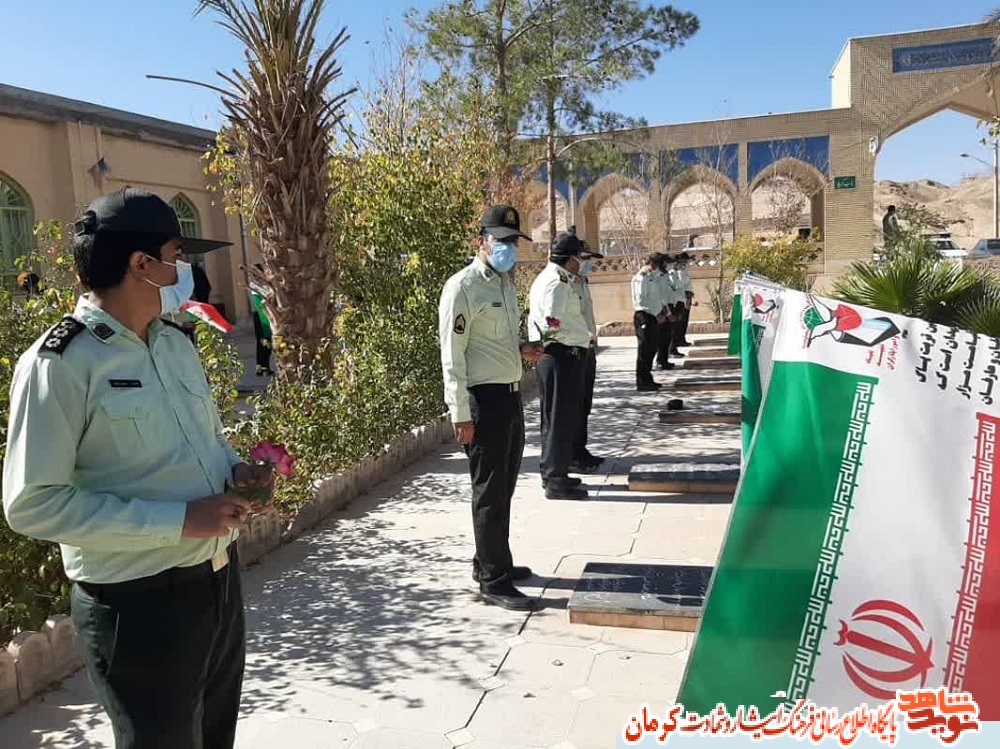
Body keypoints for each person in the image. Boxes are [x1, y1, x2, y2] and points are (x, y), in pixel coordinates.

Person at [2, 187, 273, 749]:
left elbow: (205, 442)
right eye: (177, 256)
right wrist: (178, 521)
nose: (186, 272)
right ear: (141, 264)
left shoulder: (175, 344)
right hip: (137, 605)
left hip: (217, 584)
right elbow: (32, 503)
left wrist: (236, 472)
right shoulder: (60, 363)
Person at [438, 204, 543, 611]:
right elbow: (453, 355)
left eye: (513, 241)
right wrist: (460, 413)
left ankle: (491, 561)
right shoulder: (462, 287)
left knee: (505, 487)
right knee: (489, 492)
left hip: (510, 396)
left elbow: (493, 343)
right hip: (483, 402)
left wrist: (522, 350)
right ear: (480, 241)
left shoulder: (503, 285)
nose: (509, 248)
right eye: (502, 240)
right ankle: (493, 582)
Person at [528, 232, 591, 500]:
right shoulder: (557, 282)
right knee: (559, 420)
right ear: (570, 259)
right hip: (560, 355)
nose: (582, 263)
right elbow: (550, 322)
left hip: (558, 354)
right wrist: (569, 337)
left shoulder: (553, 277)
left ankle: (555, 473)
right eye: (580, 257)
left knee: (556, 419)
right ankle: (555, 481)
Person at [570, 242, 606, 475]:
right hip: (575, 349)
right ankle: (572, 455)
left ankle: (581, 450)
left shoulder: (582, 282)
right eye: (586, 259)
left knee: (584, 405)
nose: (589, 264)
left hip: (588, 348)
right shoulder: (566, 284)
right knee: (573, 408)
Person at [631, 255, 666, 392]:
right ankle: (642, 382)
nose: (657, 268)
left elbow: (656, 298)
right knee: (644, 350)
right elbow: (641, 300)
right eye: (656, 264)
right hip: (644, 316)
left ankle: (648, 378)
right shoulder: (641, 278)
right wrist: (654, 314)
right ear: (651, 263)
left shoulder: (652, 277)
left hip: (652, 316)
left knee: (651, 349)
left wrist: (660, 312)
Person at [247, 264, 274, 377]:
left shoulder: (262, 284)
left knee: (266, 342)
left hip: (265, 315)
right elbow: (265, 297)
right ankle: (262, 368)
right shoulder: (254, 285)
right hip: (260, 315)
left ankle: (264, 367)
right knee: (263, 341)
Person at [654, 253, 679, 370]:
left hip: (669, 306)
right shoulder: (657, 276)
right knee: (661, 337)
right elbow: (660, 296)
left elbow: (672, 290)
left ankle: (664, 360)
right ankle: (660, 361)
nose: (669, 265)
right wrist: (667, 313)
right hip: (662, 308)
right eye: (667, 262)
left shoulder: (665, 275)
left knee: (667, 336)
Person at [671, 252, 694, 354]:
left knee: (684, 321)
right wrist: (686, 299)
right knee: (678, 323)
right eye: (684, 261)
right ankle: (677, 341)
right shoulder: (677, 273)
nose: (686, 263)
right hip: (679, 299)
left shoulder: (684, 270)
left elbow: (688, 285)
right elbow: (681, 287)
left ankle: (681, 339)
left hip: (684, 298)